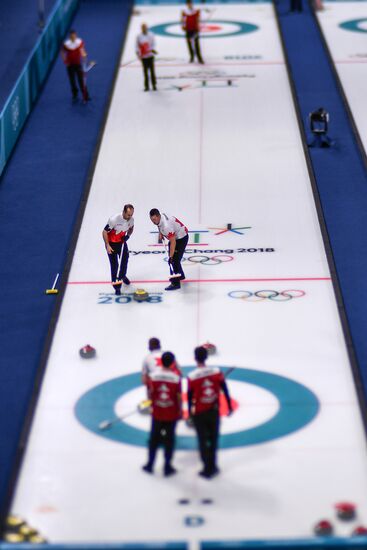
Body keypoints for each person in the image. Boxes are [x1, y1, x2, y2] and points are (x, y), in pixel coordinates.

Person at [188, 346, 233, 479]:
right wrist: (229, 406)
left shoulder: (192, 376)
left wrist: (191, 413)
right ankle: (212, 466)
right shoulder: (216, 371)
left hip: (200, 413)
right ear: (206, 357)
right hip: (214, 411)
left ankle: (207, 468)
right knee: (213, 439)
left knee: (202, 440)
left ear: (195, 358)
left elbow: (190, 397)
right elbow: (225, 389)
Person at [142, 351, 182, 476]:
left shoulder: (152, 376)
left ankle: (150, 465)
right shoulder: (176, 378)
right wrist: (180, 411)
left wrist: (153, 403)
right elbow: (178, 397)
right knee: (169, 441)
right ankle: (167, 467)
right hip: (171, 415)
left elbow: (149, 393)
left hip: (157, 414)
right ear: (172, 363)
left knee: (154, 440)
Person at [149, 209, 189, 291]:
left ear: (158, 216)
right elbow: (158, 225)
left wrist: (171, 257)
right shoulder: (160, 217)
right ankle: (180, 275)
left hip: (181, 238)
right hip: (176, 236)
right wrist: (160, 233)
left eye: (154, 219)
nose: (153, 221)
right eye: (151, 220)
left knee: (173, 260)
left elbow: (173, 242)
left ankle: (175, 283)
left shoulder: (166, 226)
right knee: (175, 259)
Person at [102, 204, 134, 295]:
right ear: (123, 212)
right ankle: (117, 287)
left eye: (131, 214)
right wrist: (107, 245)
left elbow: (131, 228)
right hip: (111, 244)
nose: (130, 217)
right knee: (115, 265)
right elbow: (104, 232)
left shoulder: (131, 220)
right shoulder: (114, 220)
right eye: (128, 214)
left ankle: (122, 275)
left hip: (121, 243)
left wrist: (127, 236)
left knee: (124, 261)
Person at [61, 29, 90, 102]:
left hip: (78, 65)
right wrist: (65, 61)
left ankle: (85, 95)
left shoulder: (79, 42)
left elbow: (82, 50)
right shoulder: (66, 44)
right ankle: (75, 95)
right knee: (72, 81)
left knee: (81, 80)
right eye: (72, 35)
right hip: (70, 65)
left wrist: (84, 56)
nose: (73, 36)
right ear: (70, 36)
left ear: (76, 35)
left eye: (74, 35)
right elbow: (62, 52)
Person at [136, 23, 157, 92]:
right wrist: (138, 54)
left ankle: (154, 85)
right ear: (141, 29)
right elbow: (137, 46)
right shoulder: (139, 36)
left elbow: (154, 43)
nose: (144, 29)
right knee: (145, 72)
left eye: (145, 27)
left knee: (152, 71)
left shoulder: (151, 35)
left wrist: (151, 49)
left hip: (150, 56)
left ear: (147, 28)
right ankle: (146, 86)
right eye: (142, 28)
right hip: (144, 57)